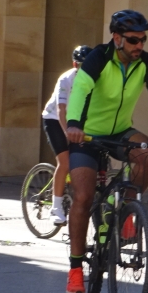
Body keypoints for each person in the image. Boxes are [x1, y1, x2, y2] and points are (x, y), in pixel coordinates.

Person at [64, 9, 148, 293]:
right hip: (86, 134)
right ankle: (74, 270)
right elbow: (81, 90)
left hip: (120, 130)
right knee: (83, 196)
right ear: (117, 38)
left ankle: (125, 209)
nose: (140, 46)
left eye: (143, 40)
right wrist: (73, 125)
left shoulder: (145, 63)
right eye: (134, 40)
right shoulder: (99, 57)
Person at [41, 45, 93, 225]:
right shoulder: (66, 79)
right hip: (55, 119)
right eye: (81, 65)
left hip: (78, 121)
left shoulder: (95, 80)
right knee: (65, 161)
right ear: (74, 64)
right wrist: (67, 133)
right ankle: (55, 208)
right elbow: (61, 110)